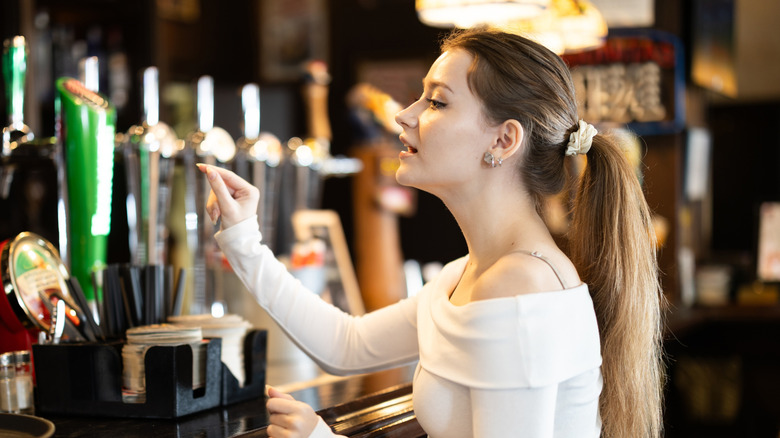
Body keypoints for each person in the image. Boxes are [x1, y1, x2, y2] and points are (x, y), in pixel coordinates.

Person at [199, 26, 664, 438]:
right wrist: (244, 238)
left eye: (437, 101)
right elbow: (346, 345)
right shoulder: (468, 274)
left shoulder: (520, 287)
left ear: (503, 141)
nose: (405, 114)